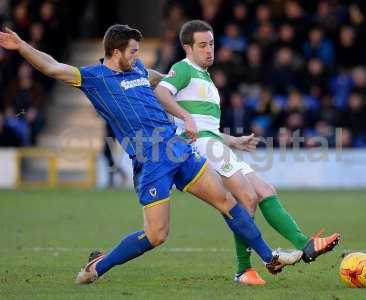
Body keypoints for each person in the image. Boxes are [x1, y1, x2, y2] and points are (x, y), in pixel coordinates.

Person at [0, 24, 304, 284]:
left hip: (176, 147)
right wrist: (22, 45)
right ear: (116, 52)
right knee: (157, 235)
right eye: (133, 51)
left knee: (227, 201)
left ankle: (269, 256)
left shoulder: (142, 70)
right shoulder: (94, 78)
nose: (137, 56)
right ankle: (97, 267)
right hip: (150, 161)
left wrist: (189, 89)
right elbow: (52, 67)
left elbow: (169, 80)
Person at [155, 20, 341, 286]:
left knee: (265, 190)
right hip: (201, 147)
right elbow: (161, 92)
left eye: (212, 44)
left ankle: (305, 244)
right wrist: (185, 117)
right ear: (188, 47)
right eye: (203, 45)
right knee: (246, 197)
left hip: (214, 143)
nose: (209, 50)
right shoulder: (183, 69)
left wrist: (234, 140)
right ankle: (244, 268)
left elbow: (207, 126)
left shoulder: (205, 77)